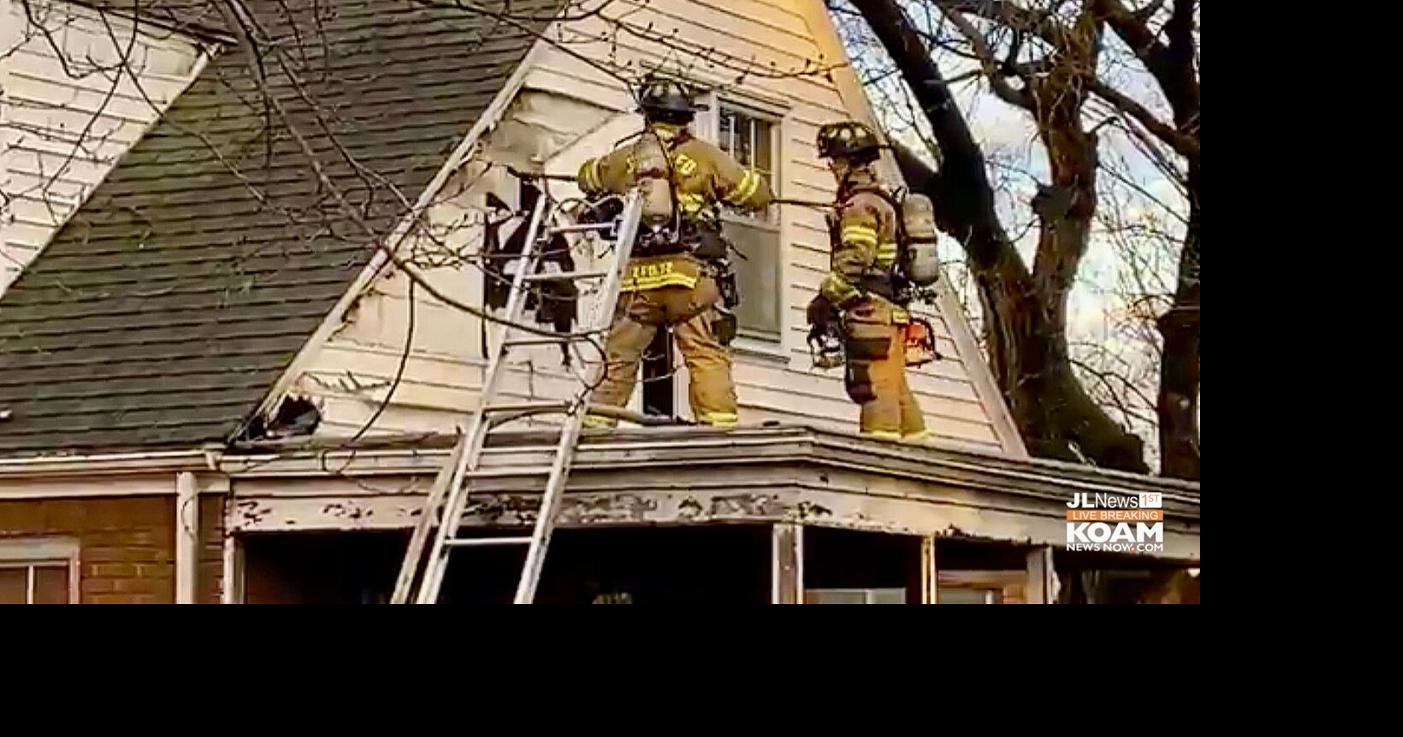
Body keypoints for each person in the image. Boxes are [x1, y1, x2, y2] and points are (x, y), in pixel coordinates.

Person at [576, 76, 773, 428]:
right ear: (686, 116)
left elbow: (587, 177)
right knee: (705, 352)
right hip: (689, 277)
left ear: (647, 116)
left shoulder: (627, 157)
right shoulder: (704, 155)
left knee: (619, 355)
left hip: (637, 281)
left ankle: (595, 431)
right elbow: (755, 194)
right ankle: (719, 431)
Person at [809, 121, 928, 441]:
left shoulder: (860, 205)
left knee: (875, 388)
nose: (832, 168)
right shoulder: (882, 198)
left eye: (834, 160)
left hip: (870, 311)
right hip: (889, 309)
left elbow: (857, 256)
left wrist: (826, 297)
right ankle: (921, 463)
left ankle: (883, 469)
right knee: (896, 389)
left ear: (848, 162)